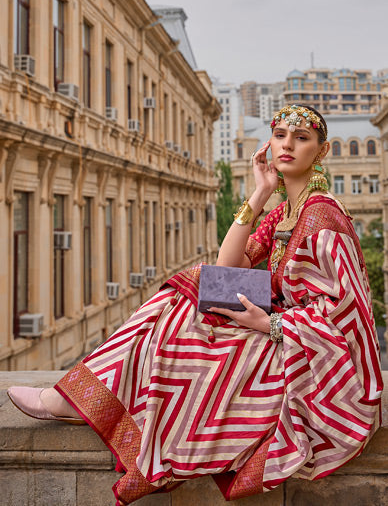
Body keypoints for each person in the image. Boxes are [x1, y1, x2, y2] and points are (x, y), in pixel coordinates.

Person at [8, 105, 383, 505]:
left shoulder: (322, 216)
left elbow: (347, 314)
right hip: (286, 334)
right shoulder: (285, 212)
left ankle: (78, 400)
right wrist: (257, 194)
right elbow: (229, 265)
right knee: (188, 293)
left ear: (321, 152)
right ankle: (83, 397)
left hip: (317, 360)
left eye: (301, 137)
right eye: (279, 135)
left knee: (183, 323)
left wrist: (268, 325)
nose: (287, 144)